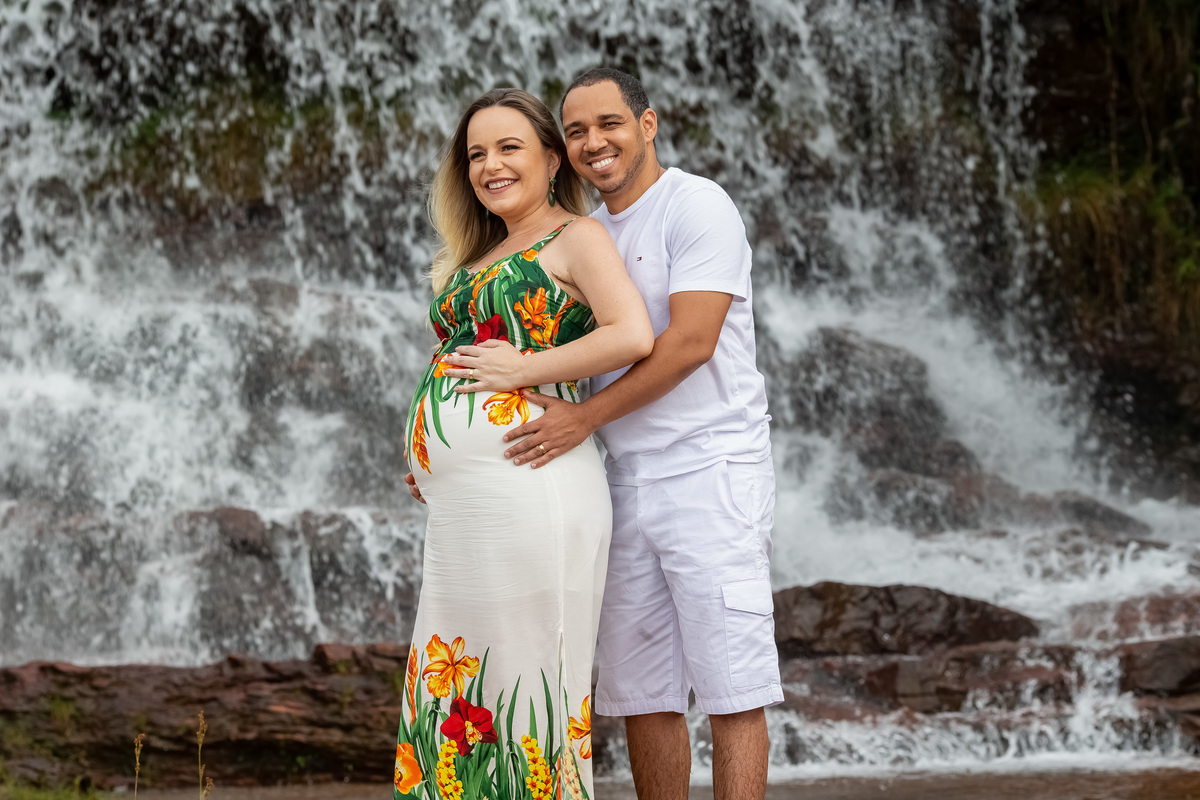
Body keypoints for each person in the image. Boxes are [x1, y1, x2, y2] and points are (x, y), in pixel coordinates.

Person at [447, 68, 782, 800]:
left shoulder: (696, 205)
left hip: (710, 470)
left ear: (648, 124)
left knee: (731, 684)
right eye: (576, 131)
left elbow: (691, 343)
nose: (594, 142)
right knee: (641, 692)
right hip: (616, 480)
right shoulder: (579, 234)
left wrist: (584, 418)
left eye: (610, 124)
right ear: (562, 151)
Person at [393, 87, 653, 800]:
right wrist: (432, 455)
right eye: (476, 154)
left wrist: (525, 367)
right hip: (465, 505)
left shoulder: (576, 236)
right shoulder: (478, 252)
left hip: (532, 485)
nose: (489, 165)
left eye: (508, 147)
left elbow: (630, 333)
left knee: (526, 676)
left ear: (549, 156)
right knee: (456, 678)